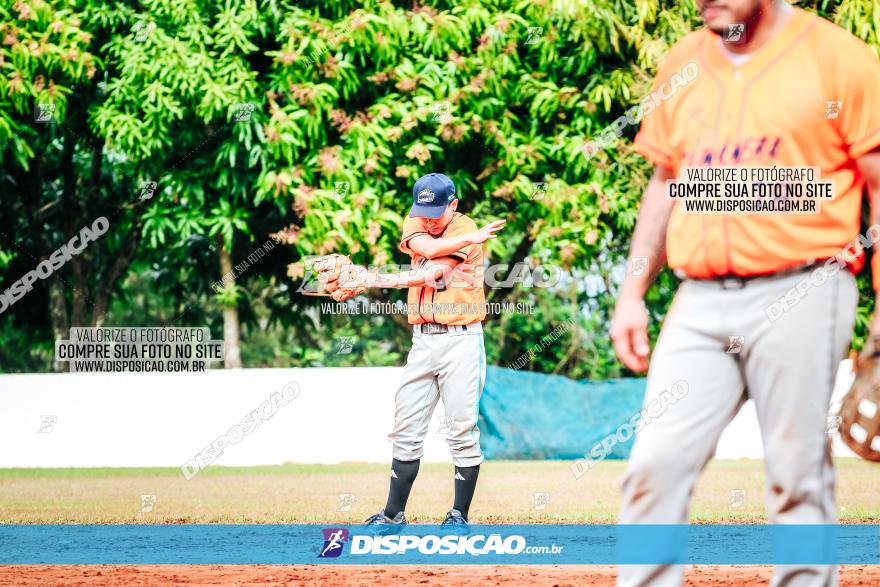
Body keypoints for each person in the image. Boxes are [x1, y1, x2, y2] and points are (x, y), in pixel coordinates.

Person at [609, 1, 880, 585]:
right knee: (655, 464)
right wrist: (633, 292)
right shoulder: (682, 63)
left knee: (796, 475)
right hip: (699, 300)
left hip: (806, 286)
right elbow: (665, 183)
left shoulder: (838, 59)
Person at [332, 172, 505, 532]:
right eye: (423, 209)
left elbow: (433, 274)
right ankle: (393, 516)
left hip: (461, 339)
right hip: (422, 339)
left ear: (453, 205)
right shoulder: (418, 219)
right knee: (406, 426)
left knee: (460, 429)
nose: (427, 218)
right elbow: (425, 250)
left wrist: (370, 278)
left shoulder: (464, 226)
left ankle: (458, 515)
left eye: (436, 211)